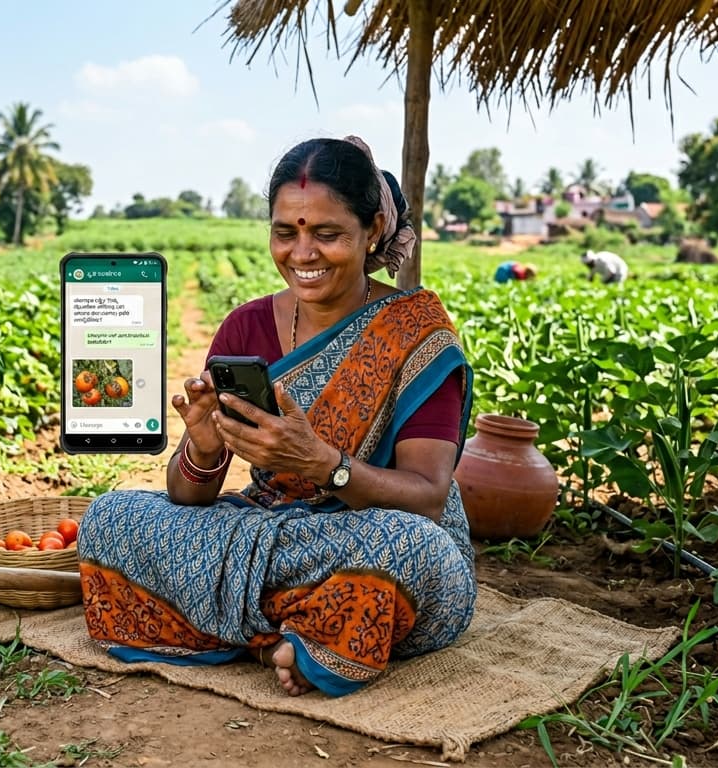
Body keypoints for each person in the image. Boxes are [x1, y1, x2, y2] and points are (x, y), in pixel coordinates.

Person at [77, 136, 476, 699]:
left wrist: (322, 465)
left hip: (375, 535)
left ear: (372, 231)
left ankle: (230, 614)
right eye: (285, 232)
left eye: (327, 234)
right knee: (111, 518)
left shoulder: (415, 333)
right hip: (272, 532)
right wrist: (205, 449)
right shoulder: (247, 327)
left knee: (412, 550)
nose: (302, 253)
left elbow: (429, 498)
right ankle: (298, 632)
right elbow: (189, 499)